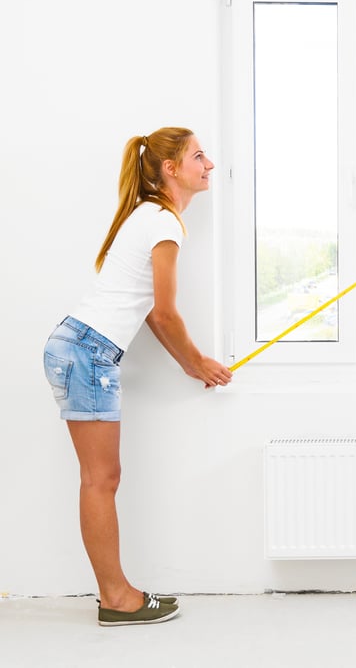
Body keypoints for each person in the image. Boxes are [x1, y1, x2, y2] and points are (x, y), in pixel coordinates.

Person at [42, 127, 233, 626]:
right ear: (171, 169)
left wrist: (192, 364)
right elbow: (165, 315)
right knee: (101, 480)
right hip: (87, 350)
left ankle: (116, 594)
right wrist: (196, 363)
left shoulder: (148, 216)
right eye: (198, 156)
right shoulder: (164, 222)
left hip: (76, 345)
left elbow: (150, 312)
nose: (208, 164)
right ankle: (117, 598)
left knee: (99, 478)